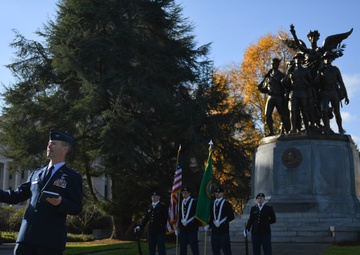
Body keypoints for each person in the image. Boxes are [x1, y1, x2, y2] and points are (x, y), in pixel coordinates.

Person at [0, 130, 83, 255]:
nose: (49, 146)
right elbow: (16, 196)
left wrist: (61, 202)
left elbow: (77, 207)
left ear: (65, 149)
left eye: (54, 143)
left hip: (50, 240)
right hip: (26, 238)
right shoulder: (36, 174)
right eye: (49, 143)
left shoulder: (72, 176)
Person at [315, 51, 349, 134]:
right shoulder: (321, 70)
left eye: (329, 58)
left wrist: (346, 95)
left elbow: (341, 82)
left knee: (337, 111)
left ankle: (340, 128)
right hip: (324, 92)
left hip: (334, 91)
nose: (327, 60)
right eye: (326, 58)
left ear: (331, 59)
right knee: (324, 110)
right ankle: (327, 128)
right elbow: (316, 83)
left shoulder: (335, 69)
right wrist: (319, 74)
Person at [257, 58, 290, 136]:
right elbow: (263, 88)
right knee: (267, 114)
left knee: (283, 114)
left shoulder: (281, 75)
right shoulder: (268, 77)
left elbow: (286, 86)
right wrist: (265, 77)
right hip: (270, 97)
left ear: (277, 65)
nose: (272, 65)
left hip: (279, 97)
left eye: (273, 64)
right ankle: (271, 132)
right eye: (271, 64)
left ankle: (286, 130)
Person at [204, 187, 235, 255]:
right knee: (215, 250)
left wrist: (223, 222)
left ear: (223, 194)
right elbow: (212, 217)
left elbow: (231, 216)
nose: (217, 194)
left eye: (219, 193)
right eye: (216, 193)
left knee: (226, 250)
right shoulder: (212, 203)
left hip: (223, 231)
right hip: (215, 231)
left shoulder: (226, 204)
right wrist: (209, 225)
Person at [177, 187, 200, 255]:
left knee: (194, 247)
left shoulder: (194, 202)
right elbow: (179, 215)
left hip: (192, 228)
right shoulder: (180, 202)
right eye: (183, 193)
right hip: (183, 229)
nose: (184, 195)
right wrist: (177, 227)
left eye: (186, 193)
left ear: (189, 193)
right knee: (182, 248)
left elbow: (197, 214)